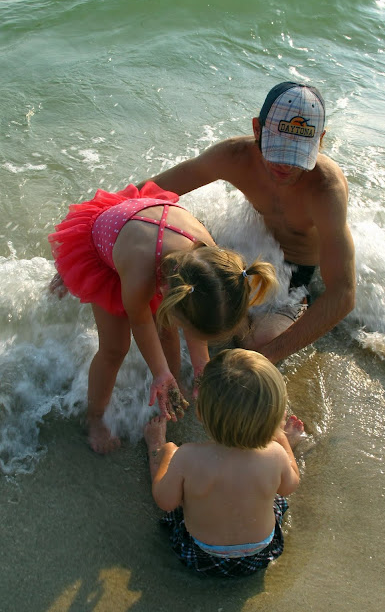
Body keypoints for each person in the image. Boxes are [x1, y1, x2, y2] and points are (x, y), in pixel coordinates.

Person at [48, 182, 278, 454]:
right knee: (115, 349)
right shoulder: (141, 275)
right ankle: (95, 417)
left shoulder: (212, 266)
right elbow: (140, 321)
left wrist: (201, 365)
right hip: (107, 245)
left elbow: (196, 317)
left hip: (146, 229)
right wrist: (159, 374)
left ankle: (173, 383)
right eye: (186, 324)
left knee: (166, 329)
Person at [137, 81, 356, 364]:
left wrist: (268, 355)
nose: (285, 165)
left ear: (320, 140)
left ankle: (288, 311)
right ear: (257, 129)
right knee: (170, 291)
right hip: (239, 253)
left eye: (296, 155)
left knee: (253, 346)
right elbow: (149, 192)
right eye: (277, 151)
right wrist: (90, 231)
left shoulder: (325, 189)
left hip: (291, 274)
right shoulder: (235, 156)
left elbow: (343, 293)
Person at [144, 348, 305, 577]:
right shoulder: (276, 455)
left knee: (176, 479)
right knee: (274, 493)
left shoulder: (187, 457)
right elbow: (289, 486)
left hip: (200, 555)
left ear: (201, 412)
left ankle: (155, 444)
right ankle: (280, 436)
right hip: (261, 554)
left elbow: (165, 501)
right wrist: (281, 441)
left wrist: (166, 452)